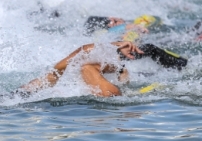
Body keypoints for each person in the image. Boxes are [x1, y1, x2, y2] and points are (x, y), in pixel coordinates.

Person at [17, 40, 187, 98]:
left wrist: (115, 46)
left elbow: (81, 55)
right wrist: (116, 47)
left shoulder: (110, 92)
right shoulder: (91, 78)